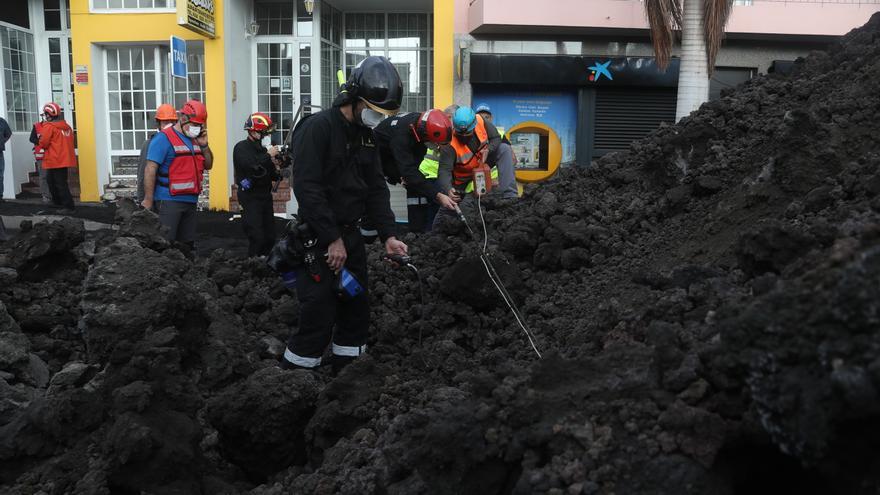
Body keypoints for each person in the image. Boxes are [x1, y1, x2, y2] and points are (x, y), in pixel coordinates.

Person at [279, 55, 408, 374]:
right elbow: (307, 189)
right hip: (320, 243)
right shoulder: (318, 128)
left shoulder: (366, 137)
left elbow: (376, 188)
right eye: (374, 110)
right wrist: (332, 239)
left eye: (384, 114)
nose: (378, 118)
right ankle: (295, 380)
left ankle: (347, 377)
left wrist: (388, 235)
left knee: (355, 305)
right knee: (319, 312)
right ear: (354, 99)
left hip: (350, 243)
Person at [141, 100, 213, 253]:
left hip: (190, 201)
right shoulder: (163, 139)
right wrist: (148, 199)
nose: (196, 129)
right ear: (183, 118)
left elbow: (208, 165)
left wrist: (204, 146)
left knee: (186, 246)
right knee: (166, 245)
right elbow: (150, 169)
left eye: (199, 126)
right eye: (193, 125)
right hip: (168, 201)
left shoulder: (196, 140)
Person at [373, 108, 457, 233]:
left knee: (416, 188)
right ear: (426, 135)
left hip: (393, 159)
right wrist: (438, 195)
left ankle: (418, 235)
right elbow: (408, 170)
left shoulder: (419, 128)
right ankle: (370, 241)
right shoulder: (402, 135)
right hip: (375, 161)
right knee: (377, 201)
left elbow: (414, 162)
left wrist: (407, 177)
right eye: (437, 144)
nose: (437, 148)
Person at [233, 112, 282, 257]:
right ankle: (252, 268)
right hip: (250, 197)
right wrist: (269, 156)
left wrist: (278, 166)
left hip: (265, 197)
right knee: (257, 237)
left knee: (270, 237)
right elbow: (252, 166)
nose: (266, 137)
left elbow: (272, 174)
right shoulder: (241, 148)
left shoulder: (263, 151)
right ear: (253, 132)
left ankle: (266, 268)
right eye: (264, 134)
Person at [38, 103, 77, 213]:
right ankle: (59, 203)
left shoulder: (49, 127)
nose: (45, 116)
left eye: (45, 114)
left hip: (54, 159)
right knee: (54, 182)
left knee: (59, 184)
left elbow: (43, 143)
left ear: (49, 114)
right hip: (64, 159)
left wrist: (39, 140)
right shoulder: (67, 127)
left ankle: (68, 206)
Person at [137, 104, 178, 205]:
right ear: (158, 124)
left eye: (171, 123)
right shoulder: (149, 144)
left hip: (177, 199)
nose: (169, 126)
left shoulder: (181, 144)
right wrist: (143, 199)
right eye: (165, 123)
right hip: (157, 199)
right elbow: (143, 174)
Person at [29, 115, 51, 203]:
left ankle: (53, 195)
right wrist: (41, 142)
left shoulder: (53, 126)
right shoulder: (37, 126)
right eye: (44, 115)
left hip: (52, 155)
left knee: (52, 177)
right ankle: (46, 195)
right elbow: (31, 138)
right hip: (41, 155)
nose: (46, 117)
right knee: (44, 176)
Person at [0, 116, 11, 202]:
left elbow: (8, 133)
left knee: (0, 175)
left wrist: (2, 141)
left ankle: (0, 195)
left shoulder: (2, 121)